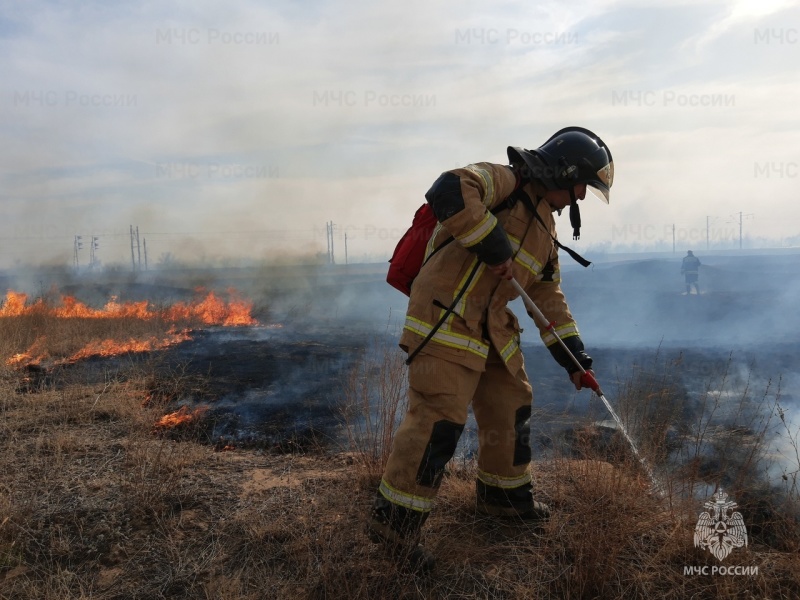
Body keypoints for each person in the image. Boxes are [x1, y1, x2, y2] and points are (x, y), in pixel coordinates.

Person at [367, 127, 614, 573]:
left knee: (511, 408)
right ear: (566, 171)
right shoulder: (501, 180)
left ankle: (504, 501)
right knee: (439, 421)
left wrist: (573, 357)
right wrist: (491, 242)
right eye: (582, 187)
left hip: (492, 330)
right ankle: (393, 530)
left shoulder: (545, 226)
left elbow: (547, 295)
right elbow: (450, 187)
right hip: (445, 319)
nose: (578, 197)